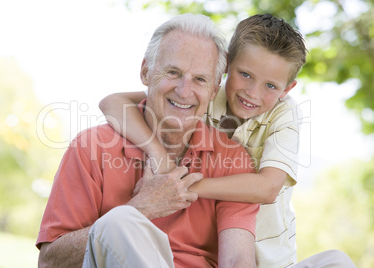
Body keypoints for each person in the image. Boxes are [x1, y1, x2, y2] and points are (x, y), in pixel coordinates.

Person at [99, 14, 356, 267]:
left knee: (337, 261)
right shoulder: (202, 95)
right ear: (224, 67)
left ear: (287, 89)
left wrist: (179, 186)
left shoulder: (284, 114)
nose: (252, 93)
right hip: (216, 250)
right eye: (245, 74)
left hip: (268, 258)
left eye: (270, 86)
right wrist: (160, 156)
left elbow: (267, 188)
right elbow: (112, 102)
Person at [36, 13, 260, 268]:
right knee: (119, 221)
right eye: (173, 72)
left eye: (200, 79)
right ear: (146, 72)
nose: (184, 91)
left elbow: (238, 261)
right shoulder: (92, 147)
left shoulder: (232, 158)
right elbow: (50, 262)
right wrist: (141, 208)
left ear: (214, 89)